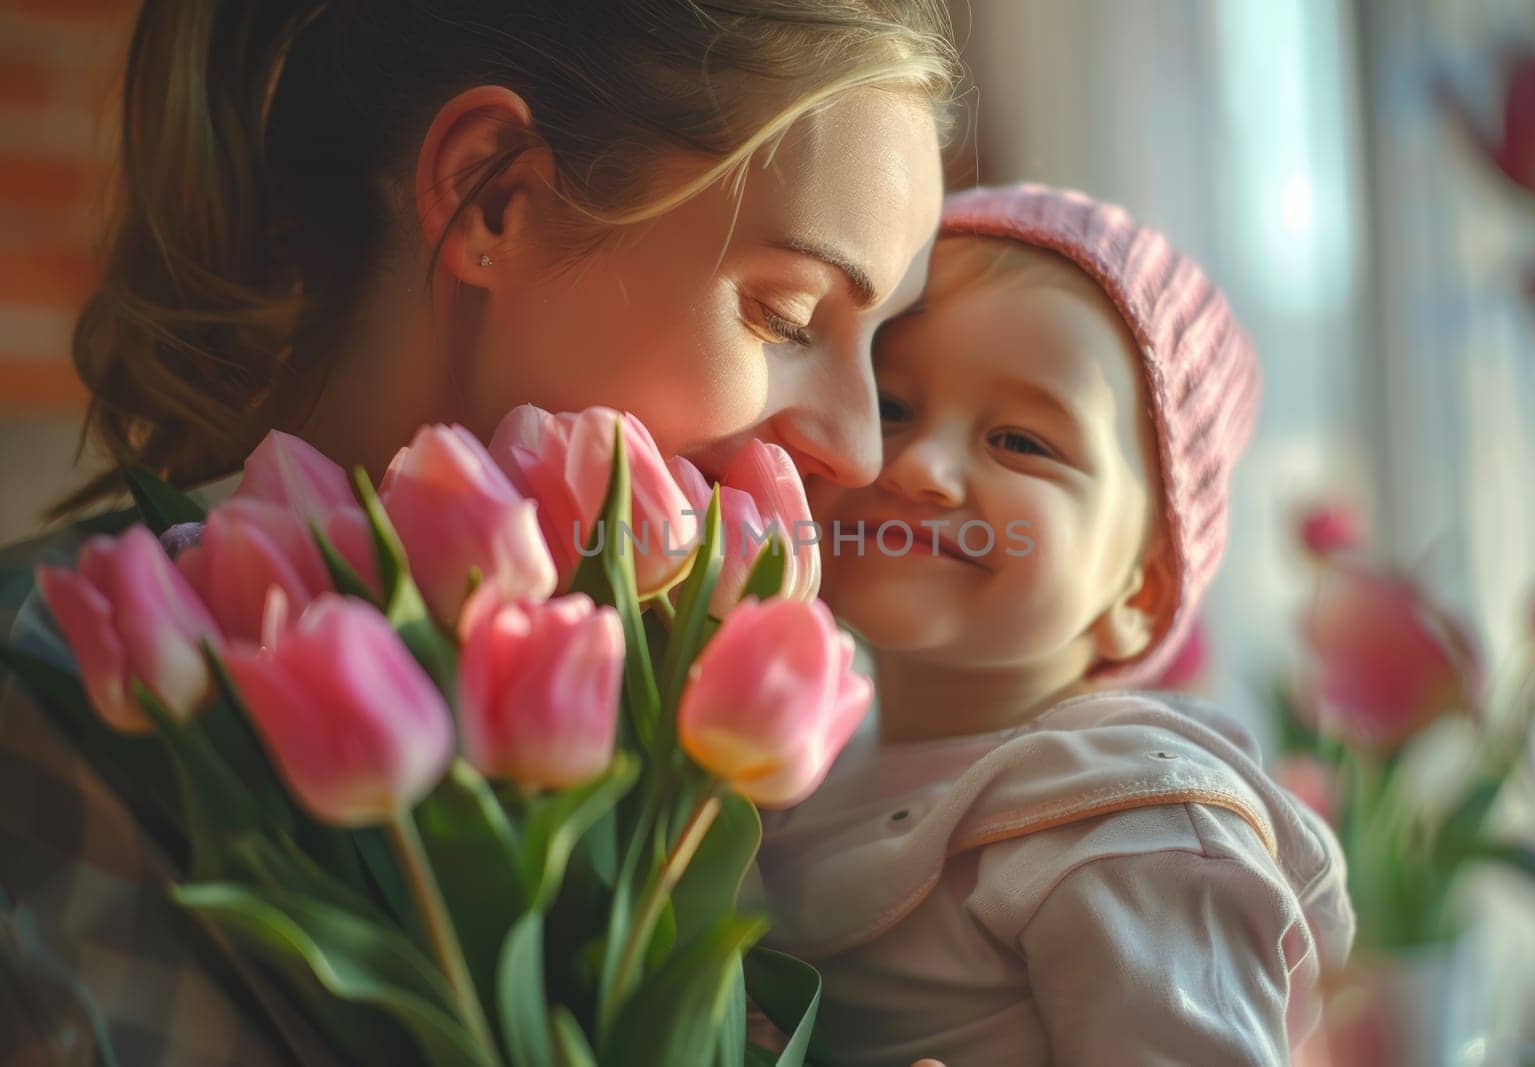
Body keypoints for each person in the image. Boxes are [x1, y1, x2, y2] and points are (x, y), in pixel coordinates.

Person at [0, 2, 959, 1062]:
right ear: (491, 196)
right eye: (784, 316)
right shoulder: (53, 687)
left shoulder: (734, 730)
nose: (861, 451)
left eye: (882, 351)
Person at [757, 185, 1357, 1065]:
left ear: (1141, 592)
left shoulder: (1129, 829)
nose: (921, 465)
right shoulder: (801, 769)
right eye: (892, 407)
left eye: (1021, 442)